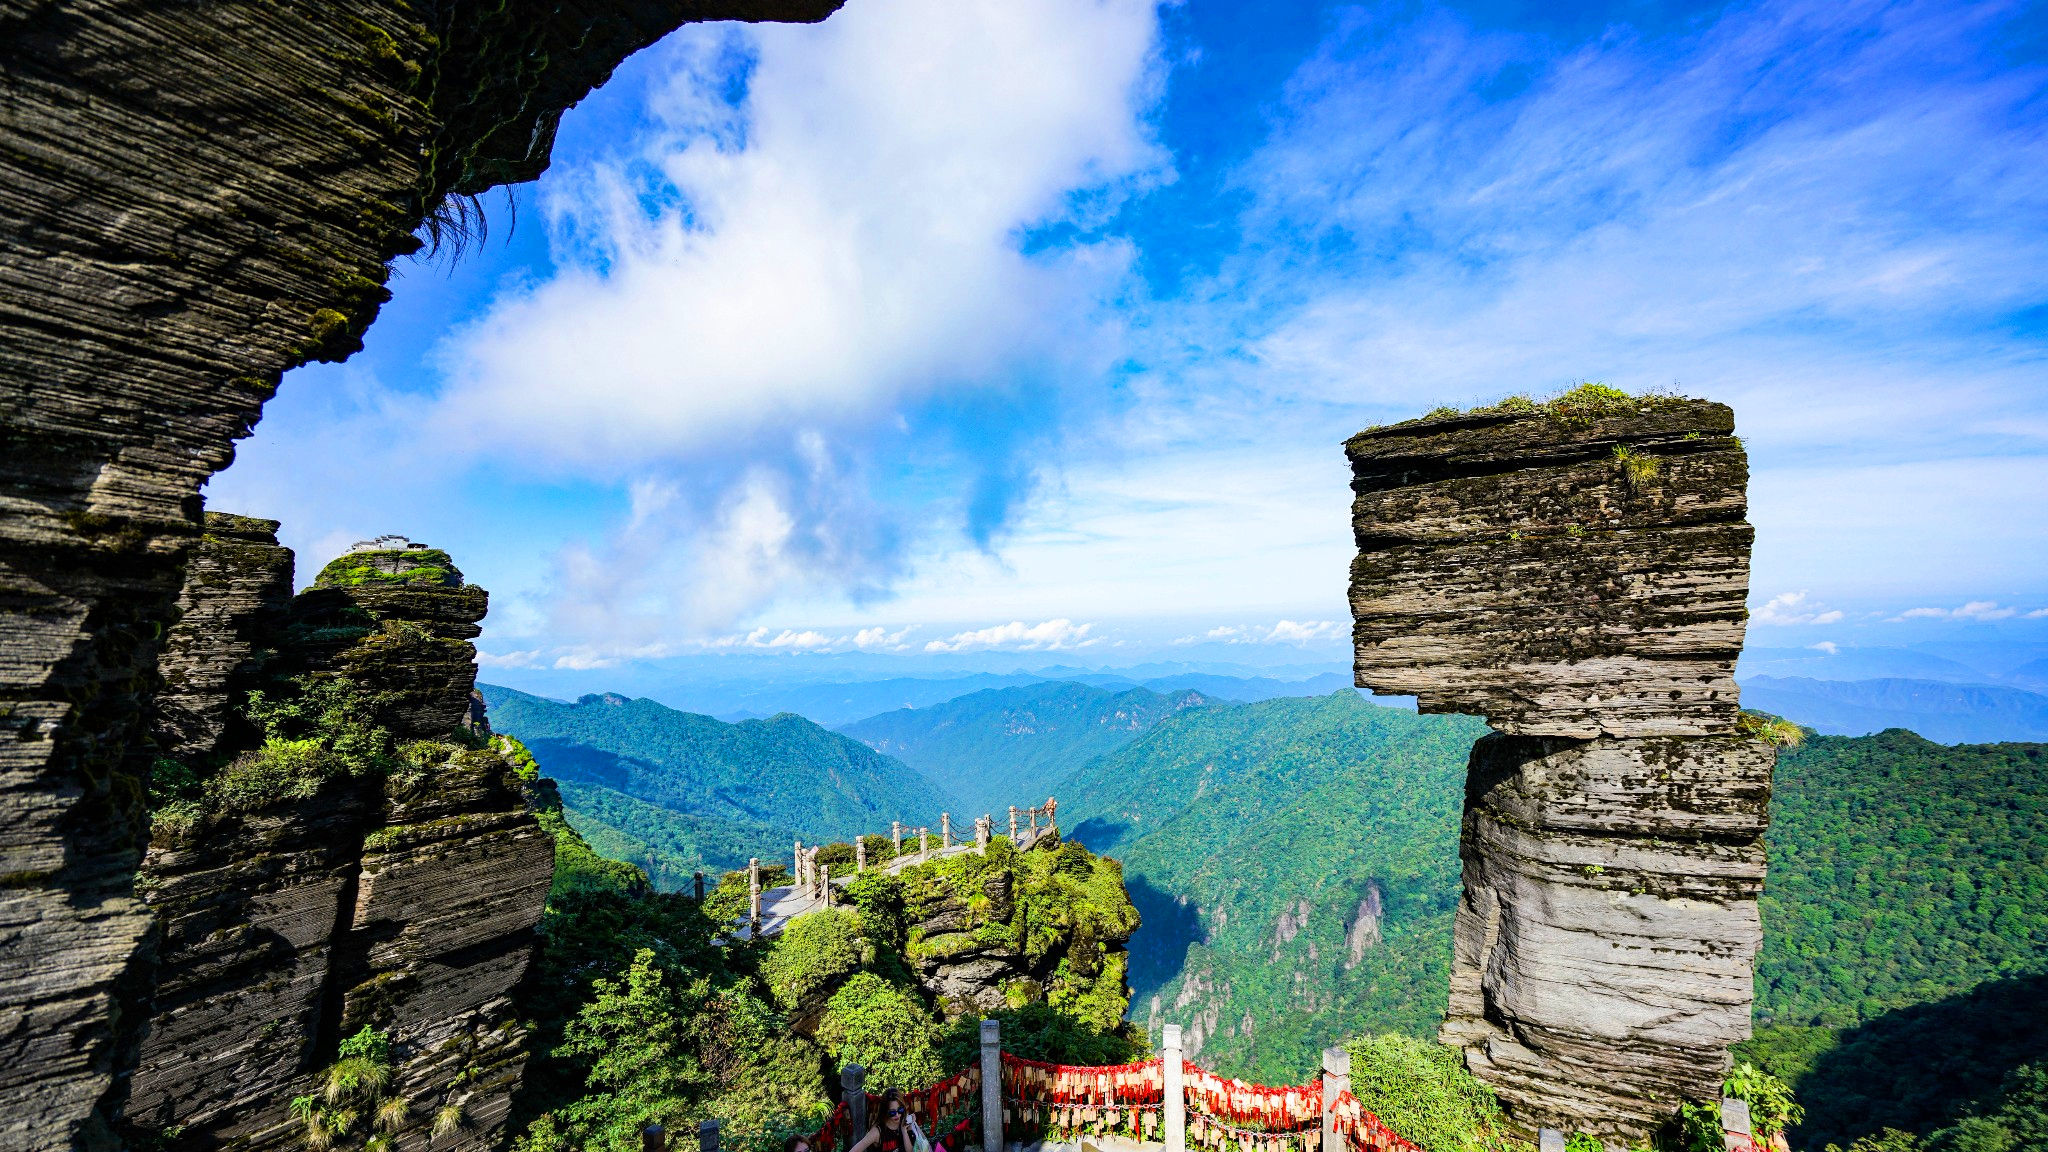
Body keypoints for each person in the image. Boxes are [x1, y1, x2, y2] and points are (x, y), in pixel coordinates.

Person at [850, 1089, 927, 1152]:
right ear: (885, 1111)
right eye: (892, 1112)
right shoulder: (877, 1131)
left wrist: (914, 1126)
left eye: (900, 1110)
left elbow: (924, 1144)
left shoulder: (906, 1122)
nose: (897, 1115)